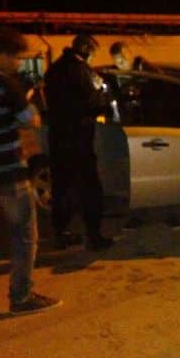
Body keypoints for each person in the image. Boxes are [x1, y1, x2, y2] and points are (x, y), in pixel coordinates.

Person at [0, 27, 62, 314]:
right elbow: (30, 120)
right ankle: (21, 296)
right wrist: (26, 98)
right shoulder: (5, 85)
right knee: (24, 235)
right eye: (15, 57)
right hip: (7, 173)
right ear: (3, 55)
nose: (18, 63)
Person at [44, 34, 114, 251]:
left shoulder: (54, 69)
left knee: (61, 187)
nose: (92, 56)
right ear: (85, 49)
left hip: (58, 137)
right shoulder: (83, 72)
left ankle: (61, 233)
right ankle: (94, 236)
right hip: (80, 137)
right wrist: (105, 96)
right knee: (90, 188)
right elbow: (94, 104)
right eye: (92, 51)